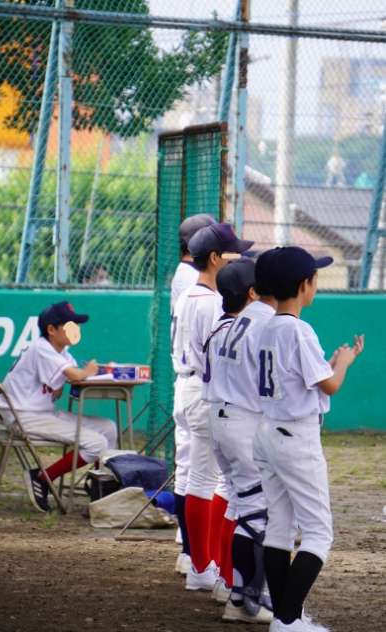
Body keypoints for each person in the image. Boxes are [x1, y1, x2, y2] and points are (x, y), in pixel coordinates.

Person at [253, 246, 364, 632]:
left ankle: (285, 617)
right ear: (304, 285)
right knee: (318, 533)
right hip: (295, 437)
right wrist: (344, 363)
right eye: (315, 278)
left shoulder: (267, 326)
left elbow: (304, 378)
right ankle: (287, 619)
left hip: (268, 431)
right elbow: (329, 386)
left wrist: (330, 364)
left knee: (280, 527)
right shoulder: (298, 330)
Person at [171, 222, 253, 591]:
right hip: (204, 389)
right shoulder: (209, 301)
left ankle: (201, 563)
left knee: (198, 477)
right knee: (214, 481)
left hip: (187, 387)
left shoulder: (190, 294)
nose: (238, 258)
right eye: (233, 253)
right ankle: (205, 565)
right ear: (216, 258)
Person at [205, 251, 277, 623]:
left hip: (219, 417)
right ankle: (245, 598)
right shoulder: (260, 323)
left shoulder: (227, 325)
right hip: (241, 421)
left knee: (239, 504)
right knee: (258, 511)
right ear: (252, 292)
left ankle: (233, 589)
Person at [0, 301, 117, 513]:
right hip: (24, 416)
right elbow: (75, 375)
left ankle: (100, 487)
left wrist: (80, 375)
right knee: (96, 443)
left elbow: (64, 382)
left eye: (76, 325)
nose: (75, 329)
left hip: (39, 412)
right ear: (51, 329)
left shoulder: (61, 351)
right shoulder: (42, 347)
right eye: (69, 325)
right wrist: (87, 371)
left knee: (109, 428)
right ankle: (43, 478)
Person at [171, 214, 217, 576]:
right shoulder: (194, 281)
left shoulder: (185, 277)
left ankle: (191, 552)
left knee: (189, 470)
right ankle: (196, 556)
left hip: (186, 381)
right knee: (203, 476)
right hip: (199, 382)